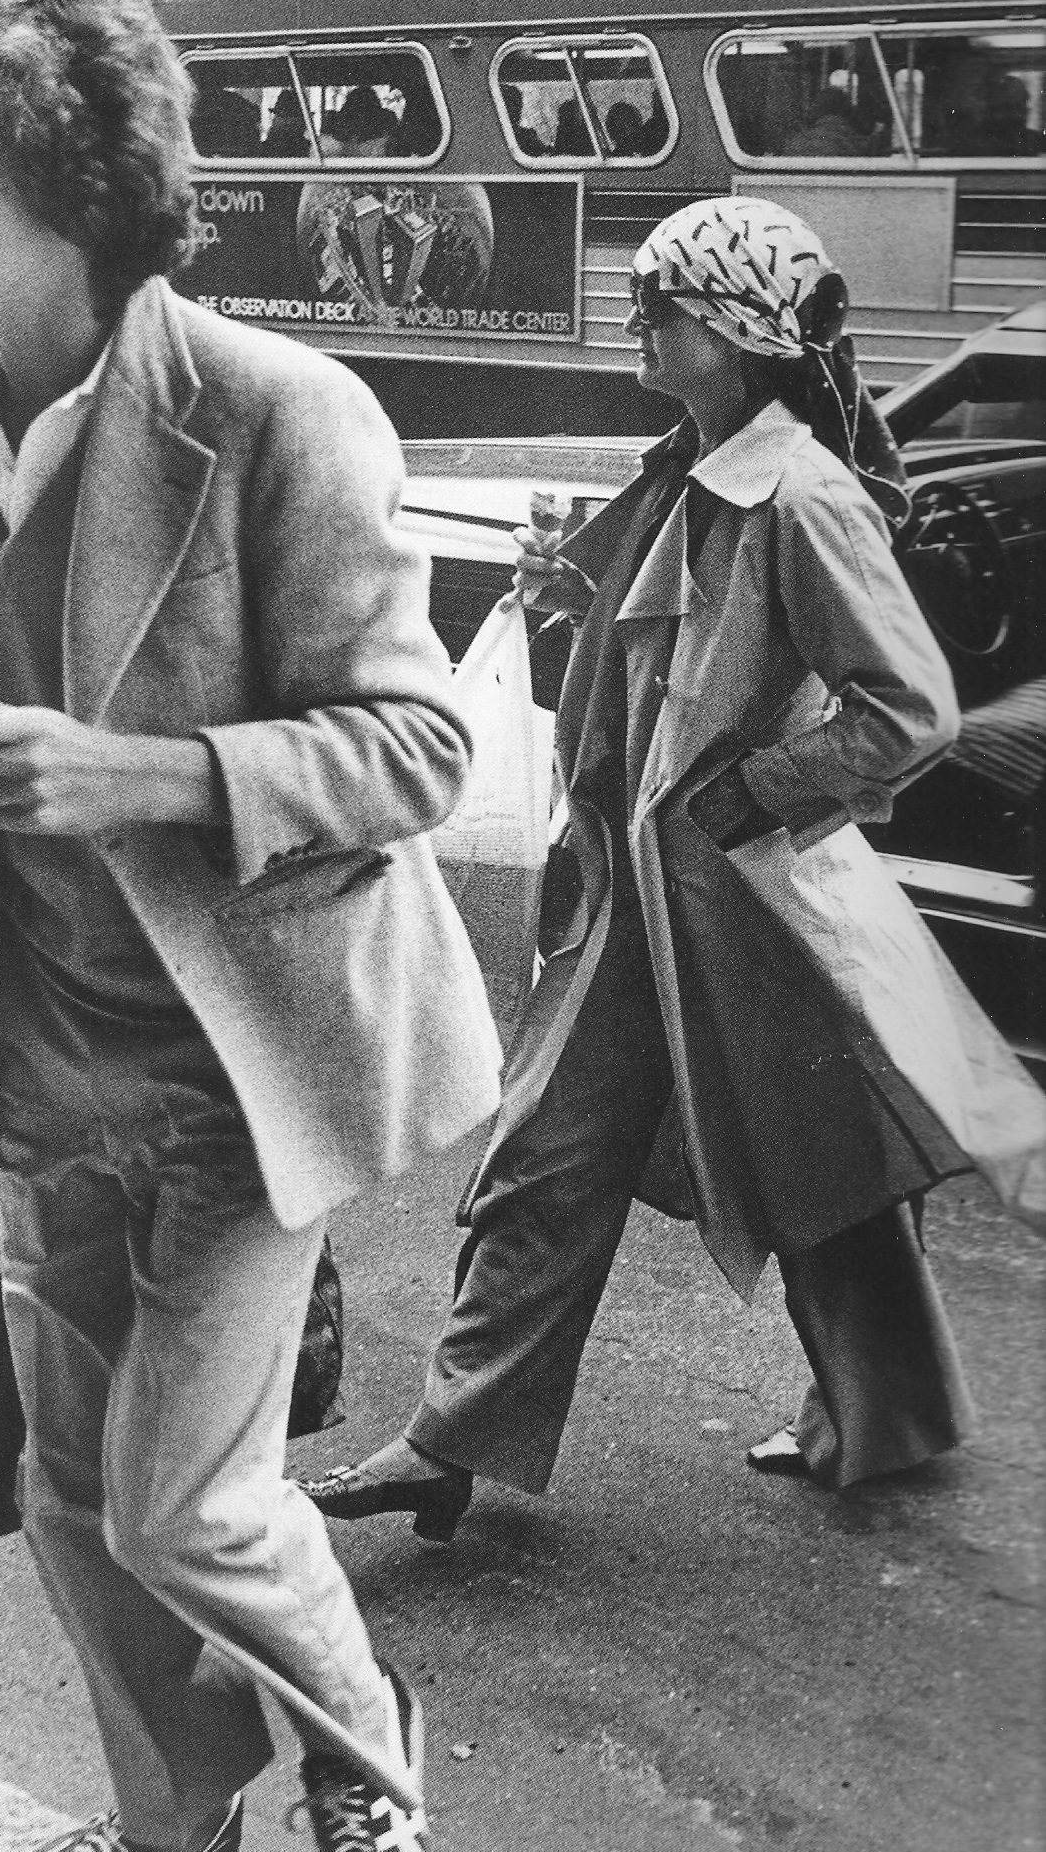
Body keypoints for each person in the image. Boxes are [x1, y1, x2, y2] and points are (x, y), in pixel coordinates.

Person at [0, 0, 502, 1852]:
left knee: (184, 1506)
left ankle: (369, 1749)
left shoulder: (277, 410)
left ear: (75, 172)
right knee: (60, 1493)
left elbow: (422, 750)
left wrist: (144, 772)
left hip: (236, 1084)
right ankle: (163, 1837)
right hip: (52, 1089)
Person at [302, 194, 1046, 1540]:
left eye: (665, 305)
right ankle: (455, 1439)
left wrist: (744, 793)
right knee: (557, 1153)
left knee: (821, 1163)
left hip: (745, 903)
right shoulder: (694, 468)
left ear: (738, 331)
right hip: (654, 900)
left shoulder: (800, 497)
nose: (638, 321)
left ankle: (888, 1413)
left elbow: (909, 708)